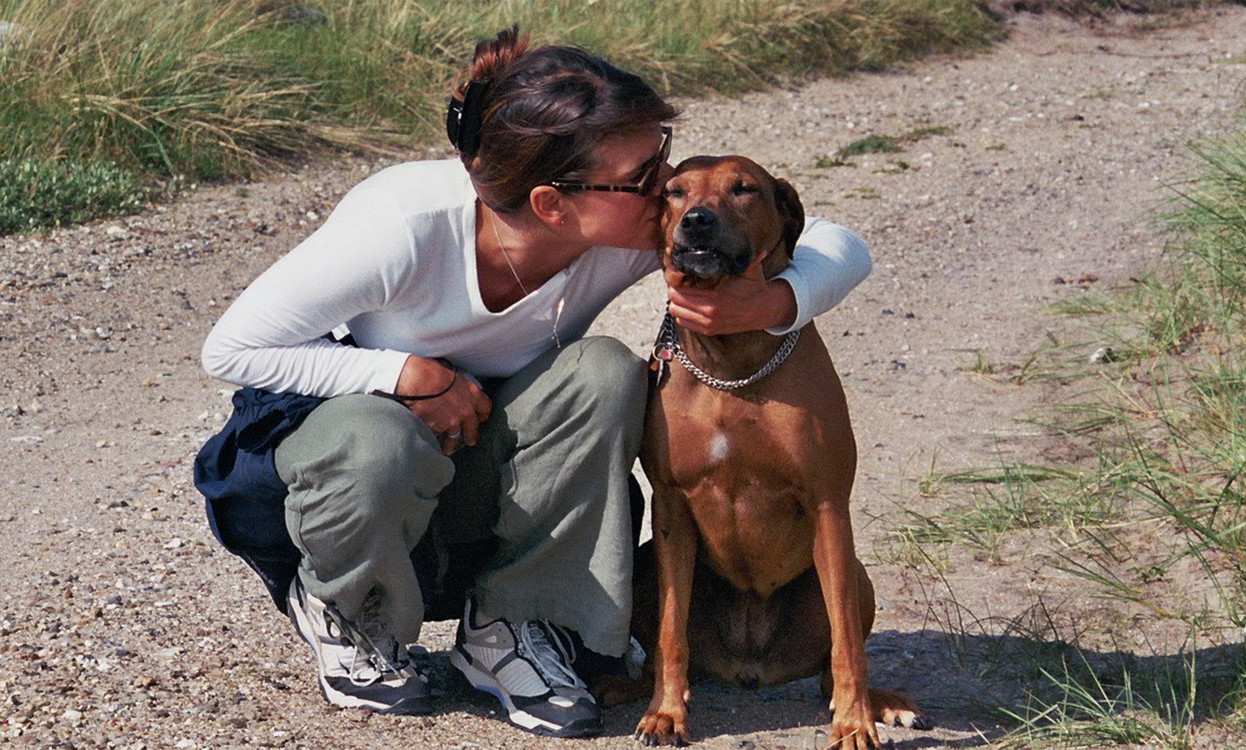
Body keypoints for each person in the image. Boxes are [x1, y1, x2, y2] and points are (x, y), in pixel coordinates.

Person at [197, 27, 873, 738]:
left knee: (606, 371)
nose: (667, 193)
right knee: (376, 433)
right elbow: (234, 348)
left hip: (472, 458)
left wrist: (774, 303)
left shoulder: (622, 233)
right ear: (554, 203)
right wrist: (400, 372)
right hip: (352, 469)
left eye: (662, 162)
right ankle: (344, 609)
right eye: (647, 177)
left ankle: (510, 626)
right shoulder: (402, 225)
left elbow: (836, 243)